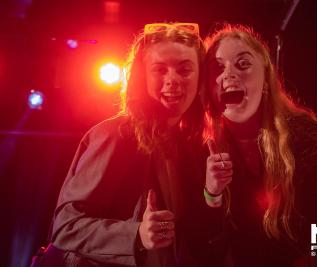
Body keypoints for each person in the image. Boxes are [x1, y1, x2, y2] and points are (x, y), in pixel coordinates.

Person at [41, 22, 213, 267]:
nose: (172, 79)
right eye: (160, 69)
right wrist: (135, 235)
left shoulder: (189, 144)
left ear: (200, 78)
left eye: (185, 70)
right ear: (141, 76)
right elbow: (66, 227)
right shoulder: (115, 135)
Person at [202, 24, 317, 266]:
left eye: (242, 64)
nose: (228, 75)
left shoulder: (308, 137)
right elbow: (202, 246)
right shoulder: (198, 146)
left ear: (265, 77)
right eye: (217, 68)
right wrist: (212, 194)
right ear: (208, 87)